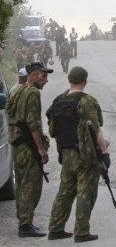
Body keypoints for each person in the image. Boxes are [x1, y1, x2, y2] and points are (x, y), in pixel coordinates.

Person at [47, 66, 109, 242]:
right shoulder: (87, 101)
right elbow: (96, 130)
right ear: (85, 81)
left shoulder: (58, 100)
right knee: (85, 192)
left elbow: (52, 131)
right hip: (85, 155)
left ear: (70, 80)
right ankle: (81, 232)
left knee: (65, 191)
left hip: (66, 154)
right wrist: (104, 153)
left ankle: (55, 229)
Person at [5, 62, 53, 237]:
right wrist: (41, 149)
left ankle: (25, 222)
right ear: (33, 75)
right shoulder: (32, 92)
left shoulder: (20, 90)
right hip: (28, 145)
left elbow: (11, 112)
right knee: (30, 186)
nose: (46, 80)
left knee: (23, 184)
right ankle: (25, 226)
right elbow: (33, 123)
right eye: (43, 75)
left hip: (19, 145)